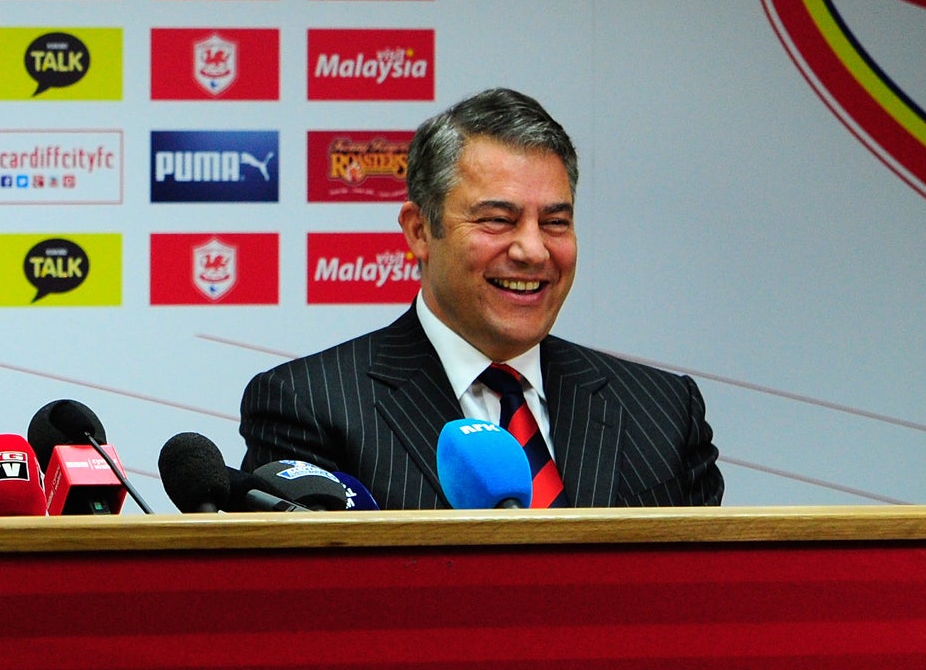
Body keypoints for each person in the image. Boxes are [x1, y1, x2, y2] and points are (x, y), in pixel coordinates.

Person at [241, 88, 722, 509]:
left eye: (555, 222)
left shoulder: (663, 411)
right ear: (420, 230)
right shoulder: (310, 407)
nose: (533, 251)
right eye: (498, 220)